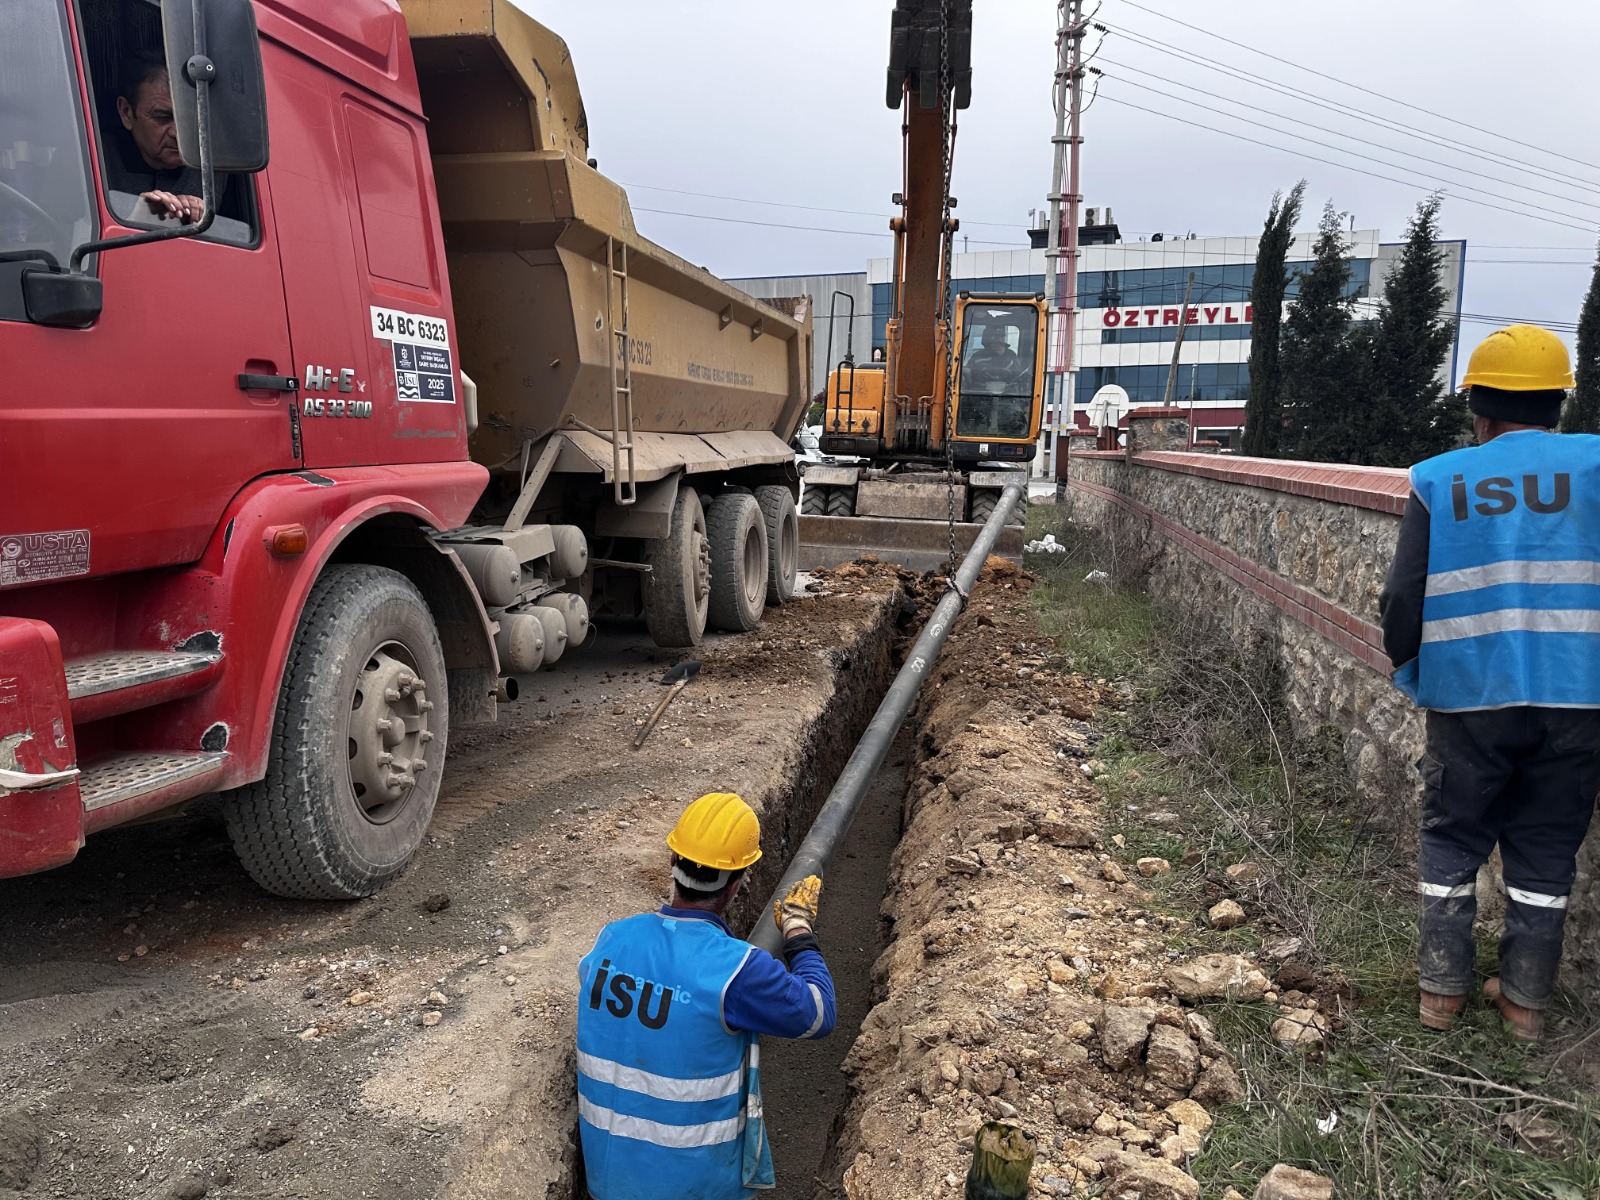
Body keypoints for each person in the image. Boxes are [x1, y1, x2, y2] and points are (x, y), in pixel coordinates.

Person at [1380, 323, 1600, 1042]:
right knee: (1546, 846)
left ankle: (1440, 995)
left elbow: (1404, 596)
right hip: (1581, 696)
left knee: (1453, 835)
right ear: (1559, 403)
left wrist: (1411, 667)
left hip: (1469, 692)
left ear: (1478, 404)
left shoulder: (1440, 477)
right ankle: (1525, 1005)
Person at [576, 793, 836, 1199]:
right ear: (738, 882)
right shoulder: (737, 969)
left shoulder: (612, 939)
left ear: (672, 863)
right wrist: (799, 931)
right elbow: (819, 1012)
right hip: (694, 1187)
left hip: (610, 1183)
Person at [107, 52, 228, 225]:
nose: (178, 133)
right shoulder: (91, 158)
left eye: (189, 119)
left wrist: (200, 220)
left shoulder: (217, 164)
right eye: (163, 117)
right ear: (126, 112)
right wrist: (133, 222)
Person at [963, 324, 1022, 389]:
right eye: (993, 336)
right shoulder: (978, 355)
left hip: (1007, 392)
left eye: (1000, 337)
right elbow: (969, 375)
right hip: (980, 392)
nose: (996, 340)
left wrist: (1001, 355)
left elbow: (1018, 375)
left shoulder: (1011, 355)